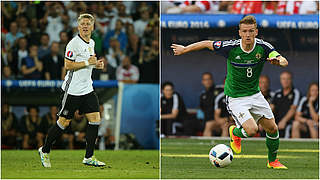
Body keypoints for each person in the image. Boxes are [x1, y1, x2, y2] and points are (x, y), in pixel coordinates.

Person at [171, 15, 288, 169]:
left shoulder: (263, 47)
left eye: (251, 31)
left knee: (273, 129)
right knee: (252, 130)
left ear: (256, 32)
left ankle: (272, 161)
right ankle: (235, 133)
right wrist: (185, 49)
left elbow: (282, 60)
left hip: (255, 94)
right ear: (239, 33)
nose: (247, 34)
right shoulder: (230, 47)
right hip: (236, 98)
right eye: (244, 31)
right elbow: (207, 43)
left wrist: (279, 61)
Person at [38, 13, 105, 168]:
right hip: (72, 90)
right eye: (83, 24)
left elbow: (90, 62)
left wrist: (96, 65)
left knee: (95, 119)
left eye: (88, 24)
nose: (85, 26)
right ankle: (45, 150)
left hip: (87, 88)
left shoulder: (92, 43)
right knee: (63, 123)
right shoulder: (73, 44)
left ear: (93, 26)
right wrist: (88, 61)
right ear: (78, 26)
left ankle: (89, 157)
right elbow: (68, 65)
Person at [271, 71, 300, 138]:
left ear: (291, 80)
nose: (285, 81)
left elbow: (293, 109)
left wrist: (284, 121)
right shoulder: (277, 93)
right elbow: (271, 108)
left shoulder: (295, 92)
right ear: (280, 80)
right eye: (283, 79)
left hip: (289, 122)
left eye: (288, 79)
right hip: (276, 121)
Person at [199, 72, 224, 136]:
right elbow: (202, 109)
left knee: (209, 124)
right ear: (202, 82)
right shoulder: (203, 95)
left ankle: (223, 146)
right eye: (205, 80)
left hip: (221, 120)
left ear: (212, 80)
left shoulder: (220, 90)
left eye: (209, 79)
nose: (207, 81)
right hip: (207, 121)